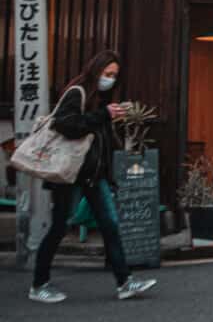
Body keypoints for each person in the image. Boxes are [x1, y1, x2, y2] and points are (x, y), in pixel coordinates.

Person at [29, 50, 157, 304]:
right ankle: (39, 284)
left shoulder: (99, 99)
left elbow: (100, 143)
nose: (109, 78)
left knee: (110, 225)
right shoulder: (77, 92)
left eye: (114, 75)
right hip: (68, 174)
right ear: (95, 70)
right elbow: (66, 125)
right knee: (58, 228)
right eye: (107, 73)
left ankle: (125, 282)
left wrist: (109, 118)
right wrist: (104, 115)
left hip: (92, 175)